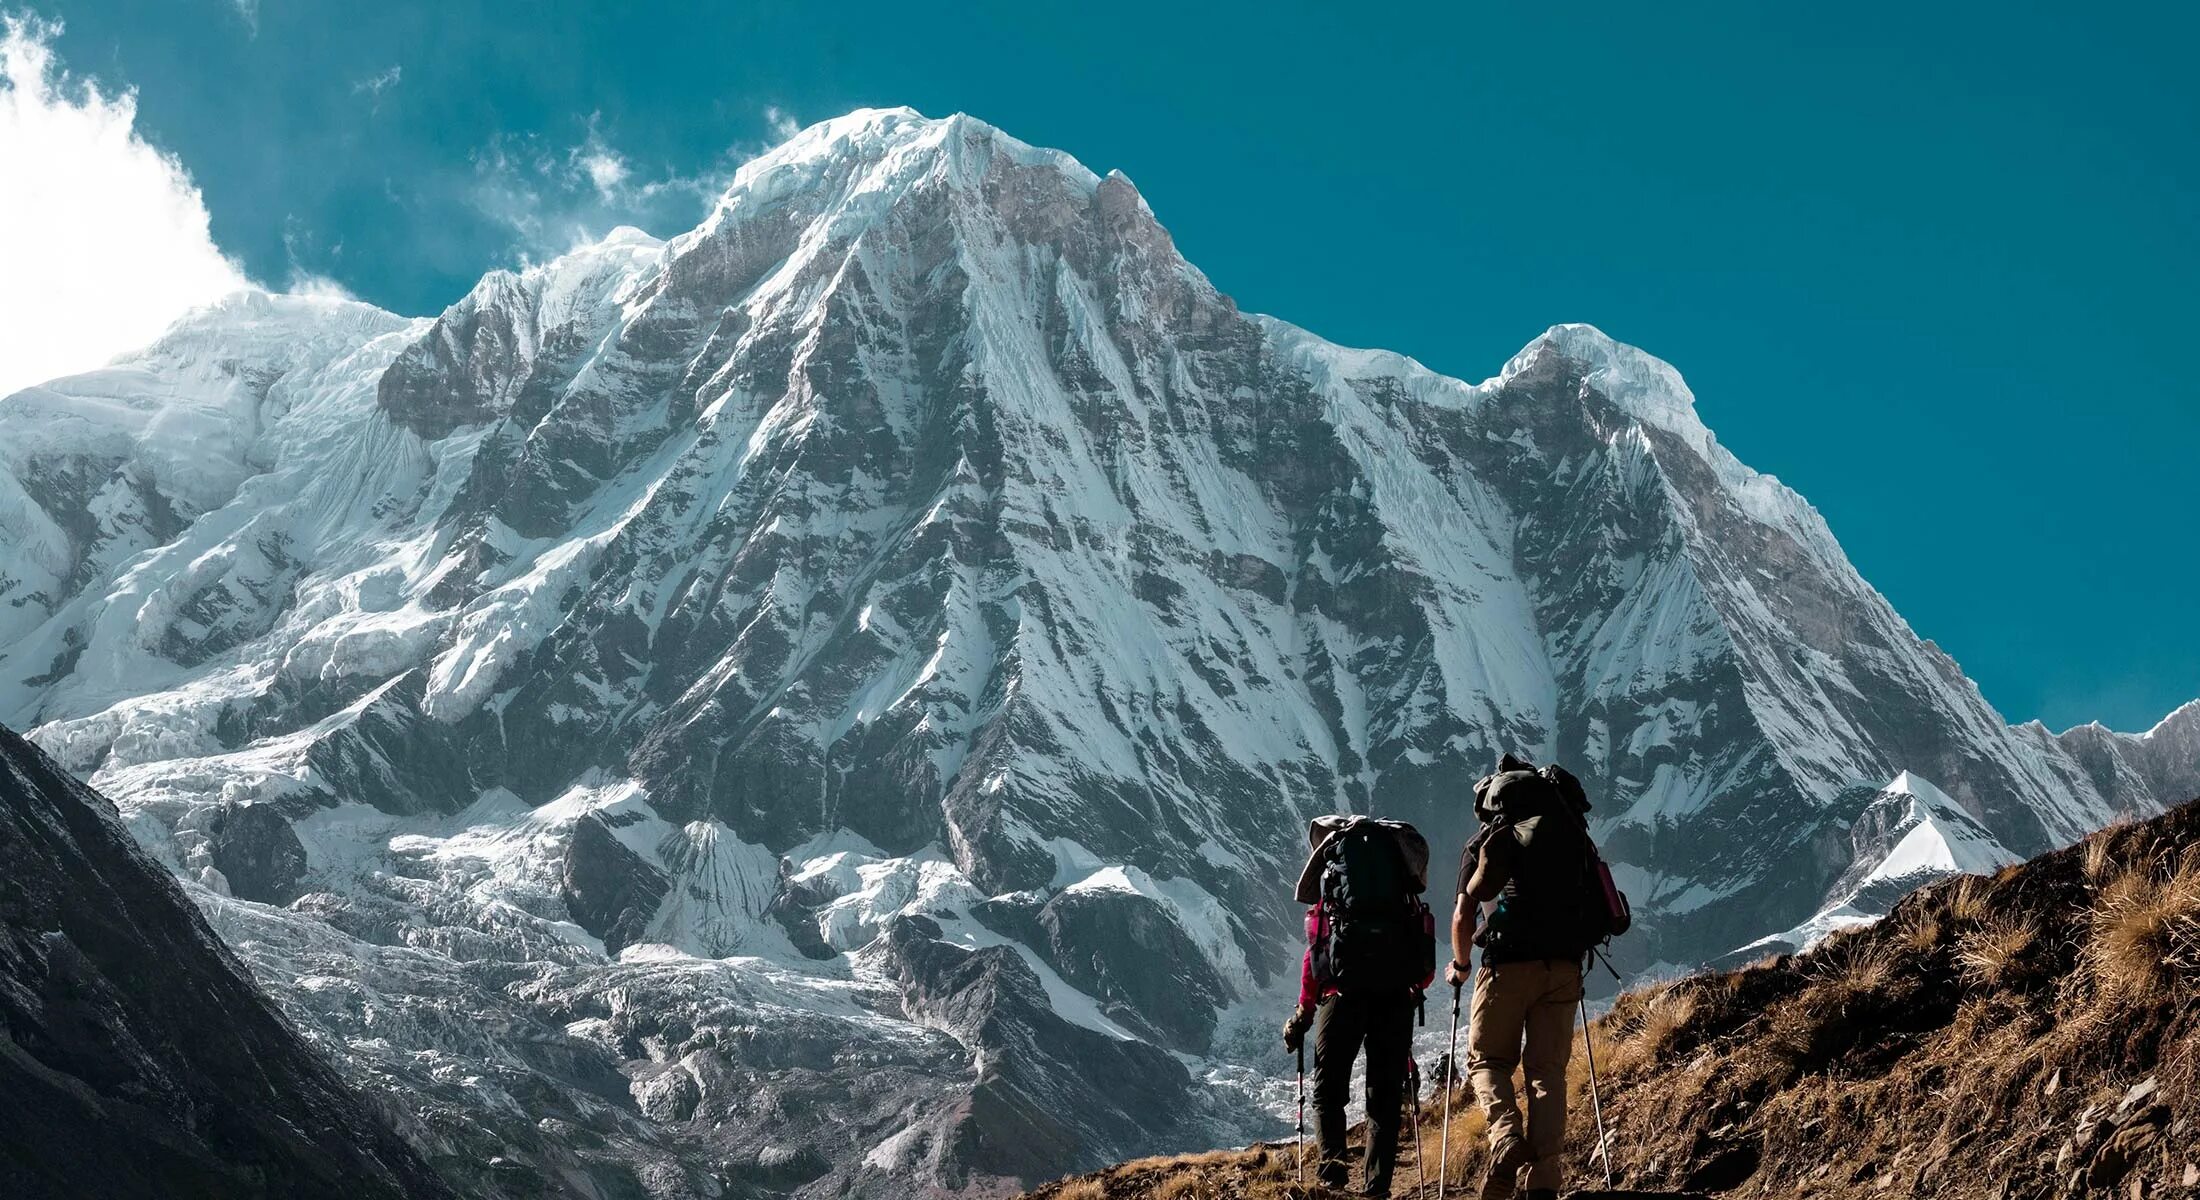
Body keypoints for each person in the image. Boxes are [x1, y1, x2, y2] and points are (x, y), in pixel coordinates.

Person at [1443, 754, 1594, 1200]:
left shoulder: (1489, 841)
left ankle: (1506, 1137)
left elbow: (1463, 912)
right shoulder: (1571, 835)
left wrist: (1462, 964)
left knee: (1488, 1061)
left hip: (1506, 966)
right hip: (1565, 967)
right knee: (1548, 1072)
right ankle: (1545, 1179)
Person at [1282, 816, 1434, 1198]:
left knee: (1329, 1091)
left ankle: (1332, 1178)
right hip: (1396, 996)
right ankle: (1377, 1187)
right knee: (1383, 1096)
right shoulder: (1399, 890)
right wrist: (1409, 987)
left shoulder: (1334, 890)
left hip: (1341, 997)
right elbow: (1423, 953)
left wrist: (1304, 1012)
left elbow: (1315, 954)